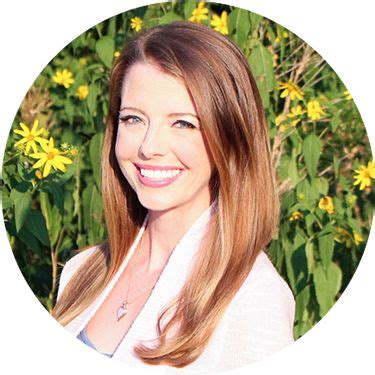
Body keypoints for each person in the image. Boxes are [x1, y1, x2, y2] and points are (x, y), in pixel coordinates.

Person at [52, 20, 295, 373]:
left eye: (183, 123)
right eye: (133, 119)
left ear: (231, 139)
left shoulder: (252, 298)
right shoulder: (81, 271)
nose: (149, 147)